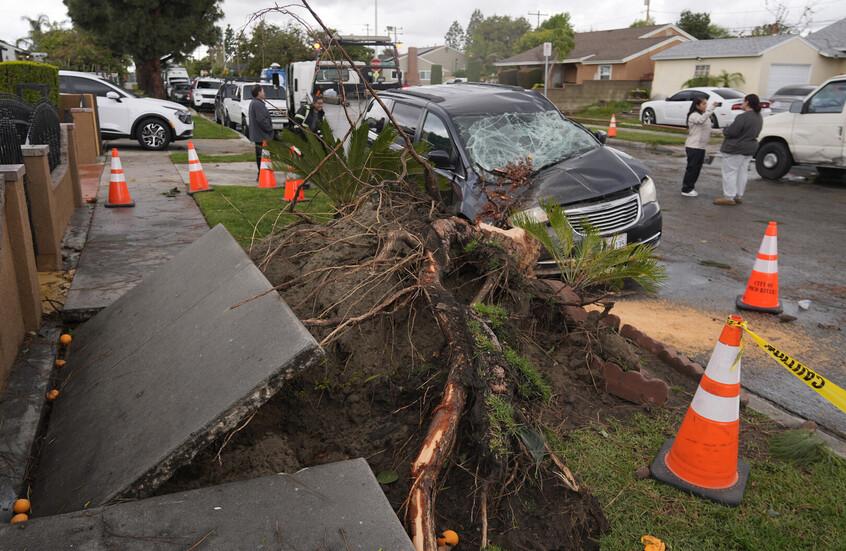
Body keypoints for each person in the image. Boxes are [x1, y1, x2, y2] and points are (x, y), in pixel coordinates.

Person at [716, 94, 763, 205]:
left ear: (747, 102)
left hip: (736, 148)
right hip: (750, 147)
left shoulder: (742, 117)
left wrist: (725, 130)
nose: (742, 103)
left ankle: (728, 197)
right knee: (742, 172)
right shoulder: (758, 116)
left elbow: (732, 132)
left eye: (743, 101)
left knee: (730, 172)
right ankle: (738, 195)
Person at [681, 97, 719, 197]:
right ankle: (686, 189)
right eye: (704, 104)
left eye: (706, 104)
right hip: (693, 146)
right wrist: (712, 107)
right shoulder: (694, 115)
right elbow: (701, 121)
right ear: (697, 105)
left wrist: (723, 131)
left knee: (697, 169)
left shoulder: (704, 116)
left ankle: (691, 187)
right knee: (692, 169)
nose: (706, 106)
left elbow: (709, 130)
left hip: (701, 147)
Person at [248, 84, 274, 179]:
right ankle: (262, 175)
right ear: (259, 93)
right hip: (261, 135)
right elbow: (261, 120)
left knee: (260, 156)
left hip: (258, 135)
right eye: (263, 91)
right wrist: (270, 129)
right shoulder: (258, 104)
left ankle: (261, 174)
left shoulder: (254, 103)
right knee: (262, 156)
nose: (264, 93)